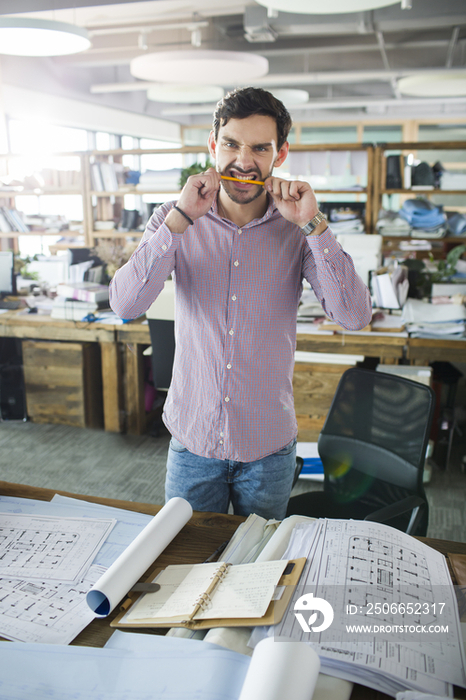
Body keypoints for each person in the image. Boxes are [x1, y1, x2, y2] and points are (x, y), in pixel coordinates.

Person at [110, 87, 372, 520]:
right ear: (214, 146)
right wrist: (180, 219)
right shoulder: (174, 217)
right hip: (193, 444)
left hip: (267, 449)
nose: (244, 161)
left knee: (259, 574)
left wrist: (313, 224)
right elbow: (126, 304)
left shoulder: (298, 227)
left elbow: (355, 316)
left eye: (260, 148)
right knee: (185, 566)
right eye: (232, 144)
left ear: (280, 154)